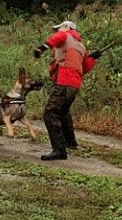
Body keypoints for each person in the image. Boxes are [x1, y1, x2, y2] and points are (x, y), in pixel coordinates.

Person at [33, 20, 101, 161]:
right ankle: (71, 143)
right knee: (63, 112)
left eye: (59, 28)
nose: (57, 31)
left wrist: (41, 48)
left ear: (66, 27)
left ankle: (59, 150)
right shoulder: (81, 46)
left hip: (63, 81)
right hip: (74, 85)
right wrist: (92, 58)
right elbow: (86, 68)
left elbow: (56, 38)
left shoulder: (65, 35)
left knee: (50, 113)